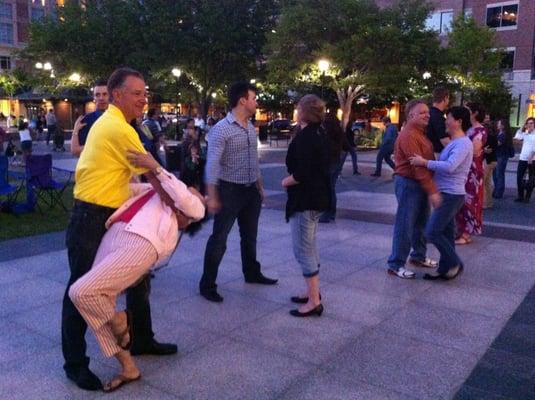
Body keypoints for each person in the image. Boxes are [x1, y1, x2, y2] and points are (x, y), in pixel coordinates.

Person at [62, 68, 178, 392]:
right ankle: (75, 364)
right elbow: (154, 169)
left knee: (138, 280)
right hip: (91, 217)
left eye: (145, 93)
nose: (144, 99)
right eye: (137, 93)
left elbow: (144, 172)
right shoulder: (117, 127)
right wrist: (185, 203)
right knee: (80, 289)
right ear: (117, 95)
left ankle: (142, 338)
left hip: (114, 213)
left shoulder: (119, 124)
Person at [69, 165, 205, 392]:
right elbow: (125, 189)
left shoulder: (193, 205)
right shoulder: (154, 191)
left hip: (143, 242)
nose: (195, 192)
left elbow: (182, 195)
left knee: (80, 291)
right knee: (98, 301)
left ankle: (120, 321)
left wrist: (153, 166)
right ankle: (128, 366)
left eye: (198, 193)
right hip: (115, 234)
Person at [200, 81, 277, 302]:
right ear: (243, 101)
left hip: (250, 190)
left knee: (249, 236)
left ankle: (251, 272)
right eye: (253, 98)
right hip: (229, 191)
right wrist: (213, 195)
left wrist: (260, 187)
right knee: (219, 238)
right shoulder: (221, 129)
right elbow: (212, 165)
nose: (256, 102)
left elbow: (254, 160)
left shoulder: (251, 128)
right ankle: (207, 284)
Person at [409, 106, 473, 280]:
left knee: (432, 232)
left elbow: (451, 166)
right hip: (447, 192)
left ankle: (454, 263)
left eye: (449, 118)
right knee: (446, 233)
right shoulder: (455, 142)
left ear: (458, 121)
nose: (446, 121)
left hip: (451, 195)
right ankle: (445, 269)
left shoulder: (463, 143)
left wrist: (425, 162)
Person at [282, 94, 330, 317]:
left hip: (306, 199)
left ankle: (313, 301)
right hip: (316, 197)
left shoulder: (307, 136)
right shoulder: (318, 132)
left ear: (304, 111)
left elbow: (303, 172)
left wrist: (286, 181)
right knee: (309, 246)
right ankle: (313, 292)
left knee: (303, 249)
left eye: (298, 107)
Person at [387, 99, 441, 279]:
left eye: (428, 112)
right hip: (409, 183)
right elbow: (417, 167)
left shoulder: (420, 134)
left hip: (418, 184)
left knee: (421, 222)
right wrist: (433, 191)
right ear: (410, 115)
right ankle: (395, 264)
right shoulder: (409, 135)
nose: (427, 115)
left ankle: (418, 255)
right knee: (405, 224)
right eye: (422, 112)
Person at [455, 102, 487, 245]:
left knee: (471, 201)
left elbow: (474, 151)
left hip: (473, 170)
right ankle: (462, 230)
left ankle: (467, 232)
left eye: (468, 110)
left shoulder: (480, 131)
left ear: (474, 113)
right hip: (466, 168)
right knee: (463, 200)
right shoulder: (469, 129)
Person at [319, 112, 346, 223]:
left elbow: (324, 150)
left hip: (329, 164)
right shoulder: (339, 132)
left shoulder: (327, 134)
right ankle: (331, 213)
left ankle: (327, 213)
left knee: (327, 189)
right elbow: (346, 147)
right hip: (336, 162)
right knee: (331, 189)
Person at [71, 81, 110, 157]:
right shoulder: (86, 121)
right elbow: (76, 151)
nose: (101, 98)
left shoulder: (122, 118)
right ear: (94, 98)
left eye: (105, 94)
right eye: (97, 95)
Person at [513, 118, 535, 203]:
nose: (530, 125)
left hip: (532, 160)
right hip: (523, 158)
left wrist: (531, 157)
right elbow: (516, 138)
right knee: (519, 177)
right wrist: (522, 128)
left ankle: (527, 197)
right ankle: (520, 196)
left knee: (531, 179)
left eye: (531, 123)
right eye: (528, 123)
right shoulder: (525, 134)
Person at [426, 86, 450, 158]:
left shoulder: (428, 113)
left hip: (426, 152)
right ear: (445, 98)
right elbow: (445, 141)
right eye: (448, 98)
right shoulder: (438, 116)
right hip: (436, 155)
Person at [492, 118, 514, 199]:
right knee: (496, 174)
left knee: (499, 174)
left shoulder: (503, 135)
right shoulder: (501, 133)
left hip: (501, 156)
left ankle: (499, 192)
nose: (497, 125)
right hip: (499, 156)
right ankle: (497, 190)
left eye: (499, 123)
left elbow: (497, 144)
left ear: (503, 126)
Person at [483, 116, 498, 209]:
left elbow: (487, 150)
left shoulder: (487, 137)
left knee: (483, 183)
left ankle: (484, 203)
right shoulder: (494, 136)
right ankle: (489, 202)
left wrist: (483, 149)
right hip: (493, 160)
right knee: (488, 182)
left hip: (487, 161)